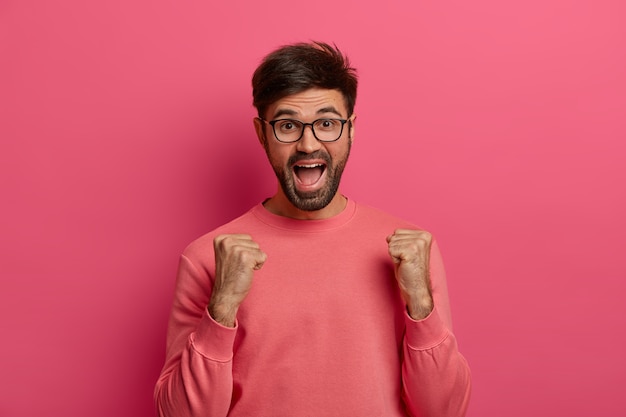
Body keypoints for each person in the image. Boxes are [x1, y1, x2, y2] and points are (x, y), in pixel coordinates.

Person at [154, 41, 471, 417]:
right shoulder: (208, 257)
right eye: (288, 125)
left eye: (326, 124)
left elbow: (444, 411)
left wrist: (420, 304)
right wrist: (222, 307)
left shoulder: (412, 252)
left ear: (350, 129)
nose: (308, 144)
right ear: (261, 133)